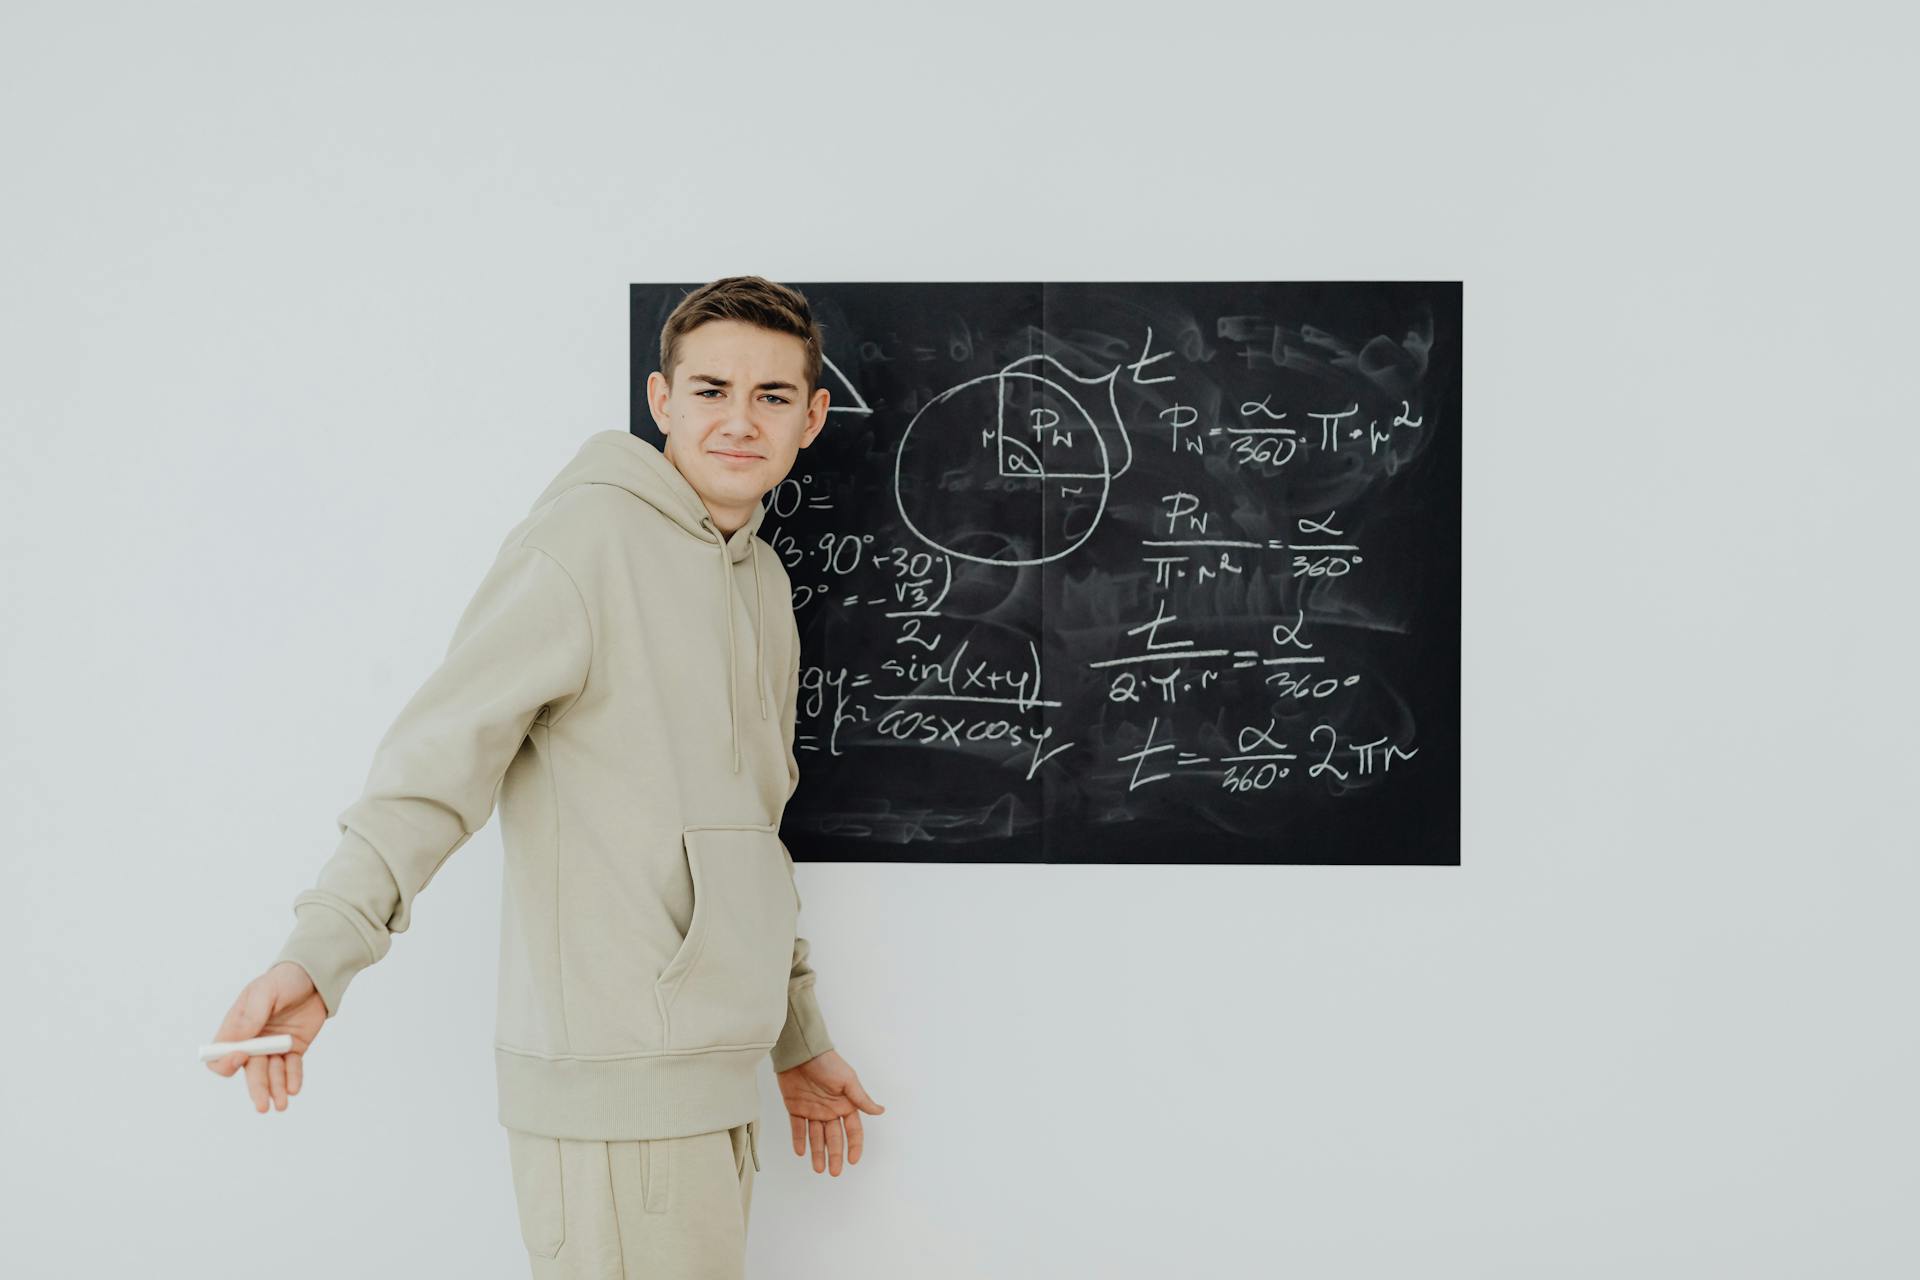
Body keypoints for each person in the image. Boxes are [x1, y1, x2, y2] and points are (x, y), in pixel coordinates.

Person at [205, 275, 884, 1277]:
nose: (741, 419)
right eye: (710, 390)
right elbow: (438, 762)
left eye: (773, 396)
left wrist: (794, 1037)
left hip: (708, 1088)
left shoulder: (763, 582)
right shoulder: (583, 544)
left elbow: (749, 831)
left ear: (812, 417)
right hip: (612, 1104)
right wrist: (320, 954)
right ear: (660, 402)